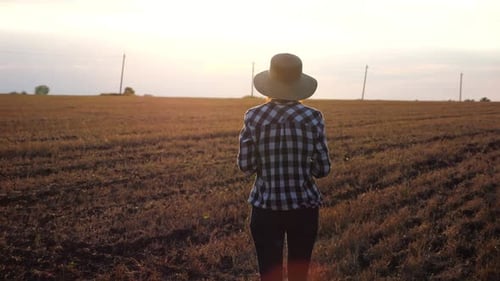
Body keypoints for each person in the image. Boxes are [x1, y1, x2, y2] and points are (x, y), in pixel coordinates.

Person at [238, 53, 331, 281]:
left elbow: (246, 165)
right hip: (304, 208)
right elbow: (323, 168)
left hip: (265, 206)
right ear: (299, 84)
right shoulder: (314, 117)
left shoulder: (253, 117)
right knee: (299, 274)